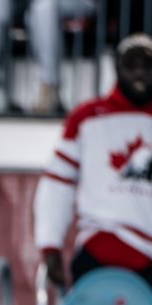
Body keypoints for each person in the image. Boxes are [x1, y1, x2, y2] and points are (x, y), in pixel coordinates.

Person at [35, 34, 152, 289]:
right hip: (98, 251)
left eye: (147, 65)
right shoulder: (86, 117)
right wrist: (49, 245)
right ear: (117, 67)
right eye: (132, 65)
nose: (140, 73)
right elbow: (57, 184)